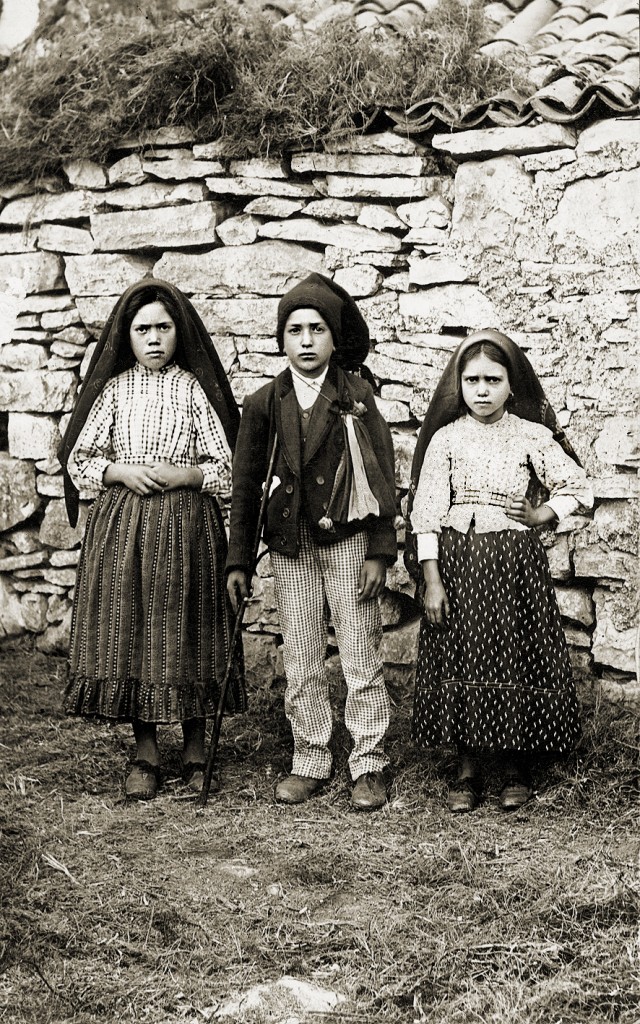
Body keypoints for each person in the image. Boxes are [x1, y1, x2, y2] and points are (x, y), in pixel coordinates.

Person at [58, 279, 246, 801]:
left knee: (187, 627)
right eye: (143, 329)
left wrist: (185, 476)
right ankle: (144, 750)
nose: (155, 338)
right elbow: (80, 460)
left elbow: (227, 467)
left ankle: (193, 744)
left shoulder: (192, 389)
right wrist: (119, 471)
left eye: (164, 327)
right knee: (133, 628)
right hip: (125, 526)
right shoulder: (115, 390)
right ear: (128, 336)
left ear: (178, 332)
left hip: (187, 526)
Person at [226, 273, 398, 810]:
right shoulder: (263, 402)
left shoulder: (356, 395)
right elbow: (246, 483)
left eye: (317, 329)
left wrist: (379, 548)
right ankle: (310, 756)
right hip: (290, 544)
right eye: (295, 329)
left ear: (333, 338)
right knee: (300, 652)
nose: (306, 340)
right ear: (282, 338)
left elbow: (382, 476)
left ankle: (369, 761)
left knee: (358, 648)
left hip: (347, 541)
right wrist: (239, 559)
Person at [405, 329, 593, 813]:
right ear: (458, 385)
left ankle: (515, 763)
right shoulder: (445, 440)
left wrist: (541, 514)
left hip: (514, 565)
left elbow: (578, 486)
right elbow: (426, 512)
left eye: (493, 379)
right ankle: (468, 766)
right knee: (464, 652)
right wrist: (432, 580)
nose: (482, 390)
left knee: (512, 651)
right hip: (458, 563)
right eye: (472, 380)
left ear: (513, 384)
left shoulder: (531, 435)